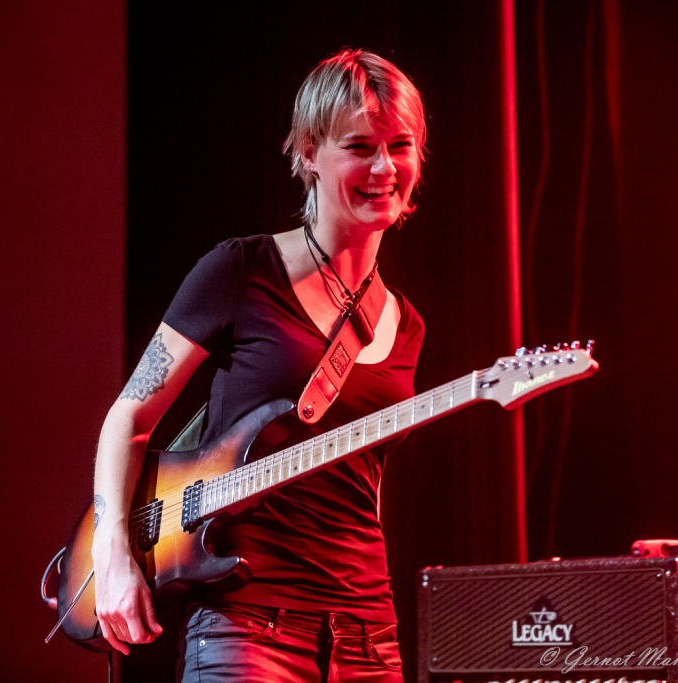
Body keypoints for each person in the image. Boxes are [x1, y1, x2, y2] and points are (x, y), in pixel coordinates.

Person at [91, 48, 428, 682]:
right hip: (246, 629)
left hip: (367, 635)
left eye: (400, 146)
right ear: (309, 153)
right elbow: (129, 416)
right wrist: (112, 554)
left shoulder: (406, 325)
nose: (384, 167)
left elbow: (363, 489)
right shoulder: (241, 271)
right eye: (359, 147)